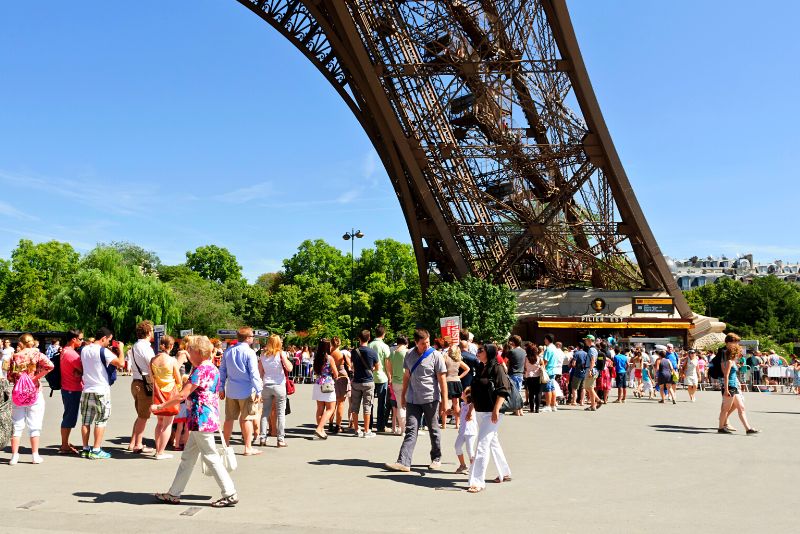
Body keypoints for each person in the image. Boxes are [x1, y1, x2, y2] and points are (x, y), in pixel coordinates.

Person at [153, 335, 239, 507]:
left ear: (199, 352)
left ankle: (229, 492)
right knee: (188, 458)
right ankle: (174, 493)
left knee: (210, 456)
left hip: (201, 418)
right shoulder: (212, 368)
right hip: (206, 417)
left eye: (190, 350)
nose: (187, 353)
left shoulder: (200, 370)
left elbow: (183, 395)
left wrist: (161, 406)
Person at [385, 328, 447, 472]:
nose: (427, 345)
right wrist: (404, 395)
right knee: (411, 429)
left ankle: (436, 458)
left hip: (431, 398)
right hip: (413, 398)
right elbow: (407, 376)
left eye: (428, 342)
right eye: (423, 343)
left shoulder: (436, 356)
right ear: (416, 342)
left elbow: (442, 380)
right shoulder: (409, 354)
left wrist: (445, 401)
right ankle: (404, 462)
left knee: (433, 429)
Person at [467, 344, 512, 493]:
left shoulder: (497, 368)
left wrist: (496, 409)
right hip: (481, 411)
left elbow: (503, 390)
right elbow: (476, 391)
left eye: (481, 350)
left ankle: (477, 481)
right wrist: (471, 409)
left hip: (492, 412)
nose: (478, 352)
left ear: (489, 353)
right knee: (492, 442)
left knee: (482, 444)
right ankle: (504, 473)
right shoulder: (481, 367)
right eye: (478, 350)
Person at [6, 333, 54, 465]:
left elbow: (10, 376)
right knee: (35, 424)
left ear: (20, 342)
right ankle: (35, 455)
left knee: (16, 424)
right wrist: (35, 377)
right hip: (34, 391)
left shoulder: (15, 356)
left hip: (18, 392)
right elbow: (50, 366)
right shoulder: (37, 354)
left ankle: (14, 456)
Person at [79, 327, 125, 459]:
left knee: (86, 421)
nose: (109, 343)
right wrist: (121, 349)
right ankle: (96, 449)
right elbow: (121, 363)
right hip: (101, 389)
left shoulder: (84, 349)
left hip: (87, 389)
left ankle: (85, 448)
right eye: (109, 340)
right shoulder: (103, 351)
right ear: (103, 338)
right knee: (101, 420)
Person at [219, 327, 263, 456]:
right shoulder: (250, 353)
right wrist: (259, 390)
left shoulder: (228, 351)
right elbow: (254, 374)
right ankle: (247, 447)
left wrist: (221, 388)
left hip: (231, 390)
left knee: (229, 419)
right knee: (246, 419)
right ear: (248, 338)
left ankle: (226, 445)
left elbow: (222, 371)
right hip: (246, 390)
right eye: (252, 336)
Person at [718, 335, 759, 435]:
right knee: (725, 409)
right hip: (730, 387)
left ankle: (748, 428)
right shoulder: (729, 362)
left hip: (733, 386)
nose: (739, 355)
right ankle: (720, 428)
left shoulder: (732, 362)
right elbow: (726, 376)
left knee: (741, 407)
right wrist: (726, 389)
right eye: (738, 353)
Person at [257, 334, 292, 448]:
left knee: (265, 412)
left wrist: (260, 386)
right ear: (278, 342)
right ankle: (280, 439)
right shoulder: (281, 353)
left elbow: (260, 372)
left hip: (266, 385)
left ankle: (262, 437)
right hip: (279, 385)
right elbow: (289, 368)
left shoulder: (263, 355)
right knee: (280, 413)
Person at [150, 335, 182, 460]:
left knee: (159, 423)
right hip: (170, 393)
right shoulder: (172, 360)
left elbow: (151, 378)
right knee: (168, 424)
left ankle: (158, 449)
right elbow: (178, 379)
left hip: (157, 392)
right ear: (172, 346)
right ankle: (161, 452)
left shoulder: (153, 359)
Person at [129, 320, 155, 454]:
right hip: (144, 383)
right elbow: (153, 364)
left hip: (136, 382)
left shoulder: (135, 346)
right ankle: (138, 444)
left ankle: (133, 442)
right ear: (148, 332)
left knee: (140, 415)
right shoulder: (145, 347)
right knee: (143, 416)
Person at [58, 329, 84, 455]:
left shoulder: (65, 350)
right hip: (72, 388)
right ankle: (64, 445)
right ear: (73, 339)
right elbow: (82, 369)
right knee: (69, 417)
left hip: (67, 387)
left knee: (68, 415)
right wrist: (79, 372)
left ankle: (65, 443)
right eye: (80, 339)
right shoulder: (72, 354)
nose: (82, 341)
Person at [350, 330, 379, 438]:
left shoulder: (354, 351)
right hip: (368, 382)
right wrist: (370, 369)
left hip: (356, 381)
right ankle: (367, 430)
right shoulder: (372, 352)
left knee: (355, 406)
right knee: (367, 406)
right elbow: (378, 367)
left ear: (359, 338)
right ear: (369, 338)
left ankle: (357, 429)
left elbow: (352, 367)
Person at [311, 339, 338, 440]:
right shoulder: (329, 358)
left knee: (320, 409)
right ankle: (319, 429)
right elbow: (335, 373)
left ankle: (321, 430)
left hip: (318, 383)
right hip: (327, 384)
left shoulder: (316, 357)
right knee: (331, 408)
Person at [368, 325, 391, 433]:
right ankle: (381, 425)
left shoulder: (370, 345)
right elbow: (387, 363)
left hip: (371, 376)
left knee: (370, 402)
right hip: (382, 377)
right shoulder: (384, 346)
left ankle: (369, 424)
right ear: (384, 334)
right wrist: (389, 376)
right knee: (382, 403)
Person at [386, 336, 408, 435]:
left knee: (400, 406)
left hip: (395, 381)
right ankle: (406, 429)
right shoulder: (407, 352)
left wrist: (391, 378)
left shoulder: (393, 353)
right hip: (406, 382)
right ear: (406, 342)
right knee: (409, 406)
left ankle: (402, 429)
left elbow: (389, 368)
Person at [443, 346, 470, 427]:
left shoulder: (445, 357)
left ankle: (444, 424)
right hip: (456, 381)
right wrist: (459, 377)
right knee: (456, 403)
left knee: (445, 402)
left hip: (447, 381)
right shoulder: (458, 360)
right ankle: (457, 424)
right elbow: (467, 369)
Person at [329, 336, 350, 435]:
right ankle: (338, 425)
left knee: (332, 403)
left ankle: (330, 423)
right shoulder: (340, 354)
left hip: (332, 377)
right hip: (341, 377)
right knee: (341, 402)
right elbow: (350, 365)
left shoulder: (329, 353)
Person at [454, 386, 477, 474]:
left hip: (470, 432)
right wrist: (451, 412)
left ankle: (474, 469)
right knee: (457, 446)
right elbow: (459, 415)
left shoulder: (472, 405)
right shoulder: (463, 404)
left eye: (464, 392)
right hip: (462, 431)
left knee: (470, 450)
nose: (462, 393)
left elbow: (473, 403)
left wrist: (470, 412)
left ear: (468, 395)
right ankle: (463, 465)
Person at [505, 335, 525, 417]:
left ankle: (517, 411)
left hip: (513, 373)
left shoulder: (512, 352)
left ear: (513, 342)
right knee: (518, 392)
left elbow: (506, 361)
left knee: (514, 393)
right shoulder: (523, 351)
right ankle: (520, 411)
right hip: (520, 373)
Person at [523, 342, 542, 413]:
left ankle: (531, 408)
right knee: (538, 393)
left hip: (529, 377)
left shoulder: (526, 358)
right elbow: (542, 366)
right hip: (537, 376)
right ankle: (537, 409)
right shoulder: (539, 358)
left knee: (531, 393)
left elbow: (524, 367)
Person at [583, 335, 601, 411]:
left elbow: (593, 360)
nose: (585, 341)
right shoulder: (592, 349)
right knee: (589, 387)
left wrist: (590, 370)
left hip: (591, 369)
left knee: (589, 387)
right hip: (593, 369)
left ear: (590, 340)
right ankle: (597, 401)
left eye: (586, 340)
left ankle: (594, 404)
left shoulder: (592, 349)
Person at [541, 334, 558, 412]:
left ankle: (548, 405)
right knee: (552, 388)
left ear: (547, 339)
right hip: (553, 370)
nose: (544, 340)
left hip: (548, 370)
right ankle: (553, 405)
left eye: (545, 339)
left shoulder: (548, 349)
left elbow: (545, 361)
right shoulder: (554, 348)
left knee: (547, 388)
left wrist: (542, 368)